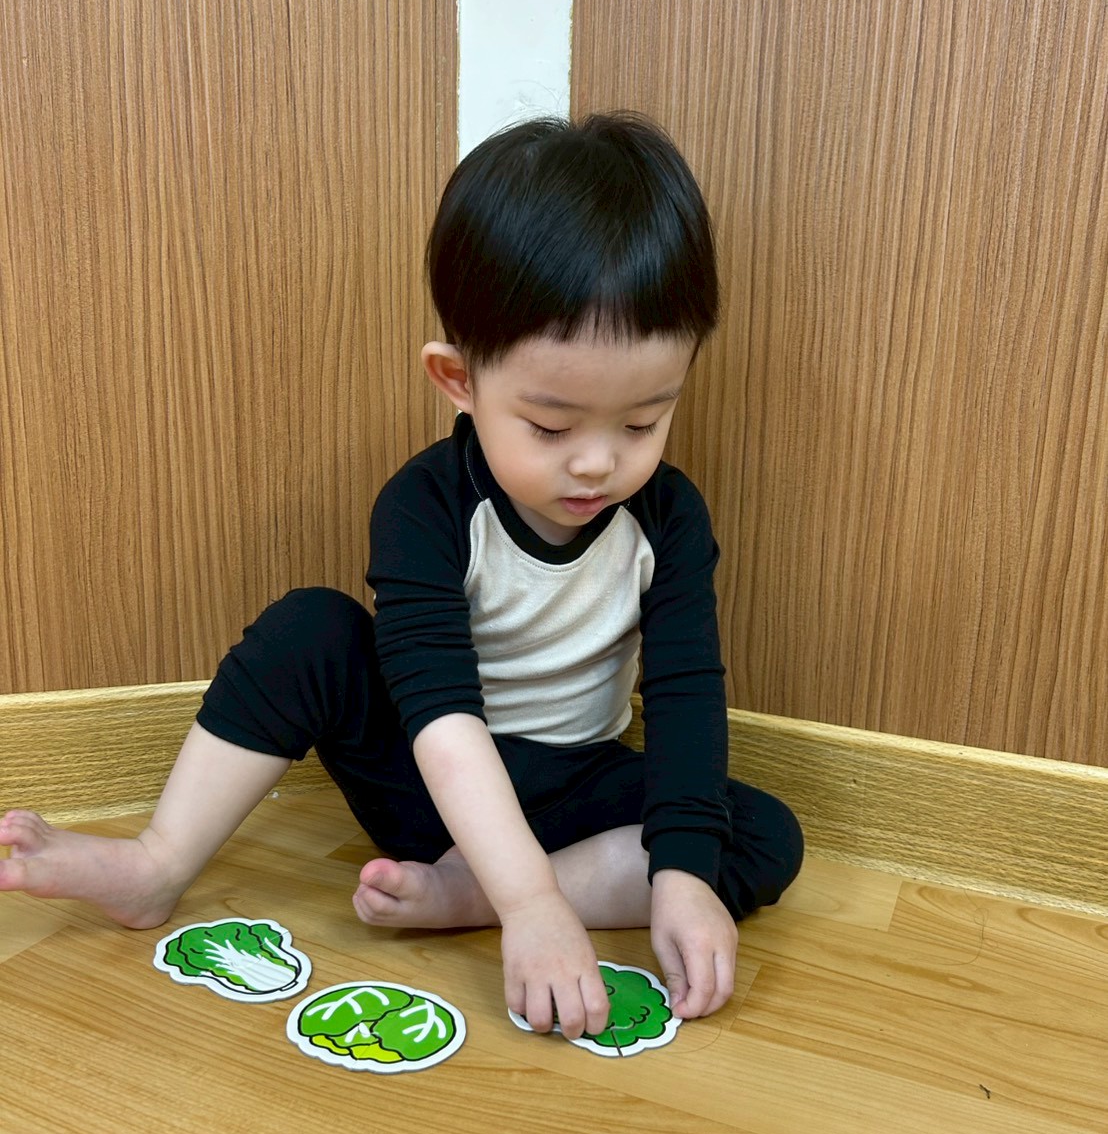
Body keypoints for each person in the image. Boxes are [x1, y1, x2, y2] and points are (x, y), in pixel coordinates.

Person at [0, 113, 802, 1040]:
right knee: (309, 628)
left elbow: (688, 695)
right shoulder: (424, 506)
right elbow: (439, 715)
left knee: (759, 835)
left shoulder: (669, 517)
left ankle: (463, 896)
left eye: (642, 422)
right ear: (458, 379)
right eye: (551, 427)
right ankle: (157, 863)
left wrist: (685, 876)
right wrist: (533, 904)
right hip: (429, 777)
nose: (597, 463)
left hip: (575, 792)